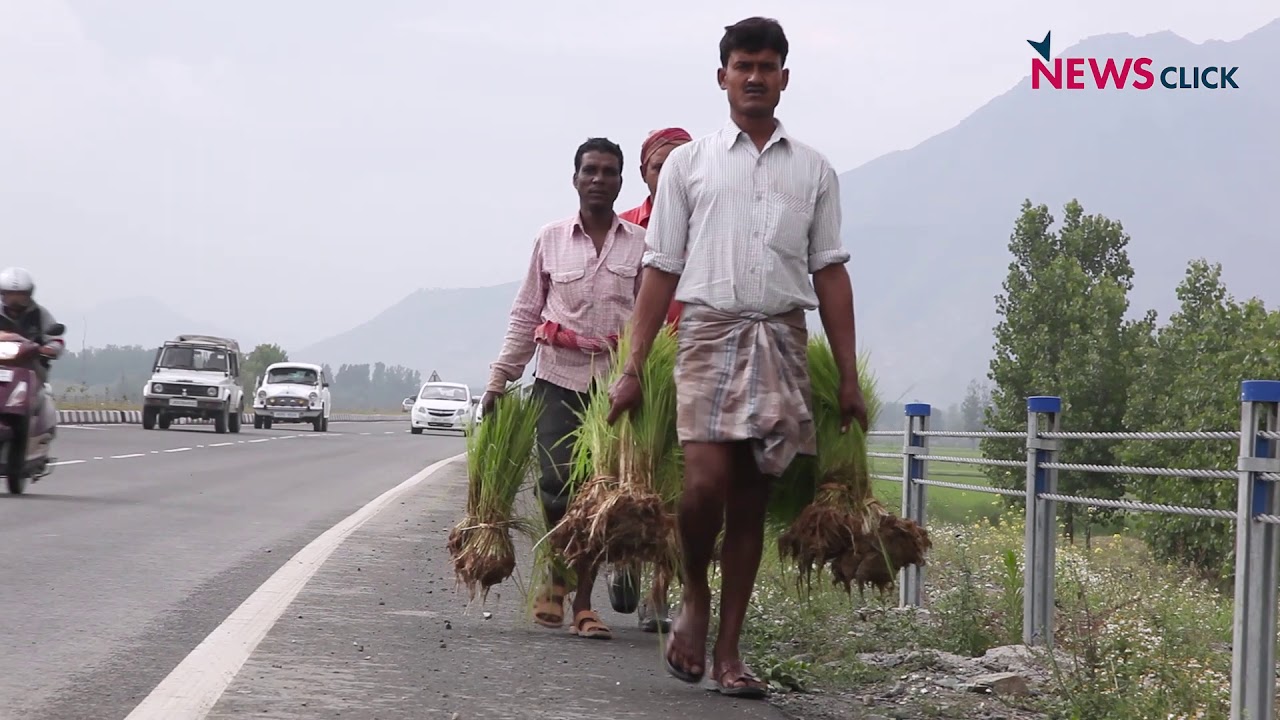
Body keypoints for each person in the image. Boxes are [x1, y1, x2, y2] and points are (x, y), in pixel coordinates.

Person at [605, 17, 869, 698]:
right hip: (707, 334)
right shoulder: (691, 166)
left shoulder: (813, 169)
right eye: (742, 66)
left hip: (780, 336)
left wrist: (846, 375)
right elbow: (660, 267)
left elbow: (830, 273)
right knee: (701, 487)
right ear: (722, 76)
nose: (754, 78)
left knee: (751, 499)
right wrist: (632, 366)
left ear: (784, 77)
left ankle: (728, 650)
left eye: (767, 67)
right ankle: (694, 595)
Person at [482, 137, 646, 641]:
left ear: (622, 182)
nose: (599, 179)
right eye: (590, 170)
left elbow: (649, 321)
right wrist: (499, 377)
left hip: (614, 390)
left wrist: (642, 377)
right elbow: (527, 312)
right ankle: (559, 564)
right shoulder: (550, 239)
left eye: (609, 172)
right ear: (575, 179)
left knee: (600, 496)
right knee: (556, 486)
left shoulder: (640, 244)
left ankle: (582, 604)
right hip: (558, 379)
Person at [610, 126, 693, 635]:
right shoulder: (624, 230)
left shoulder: (708, 226)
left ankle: (660, 592)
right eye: (661, 166)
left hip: (691, 365)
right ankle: (626, 560)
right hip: (637, 368)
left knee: (680, 486)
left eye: (681, 164)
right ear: (644, 173)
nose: (670, 175)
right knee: (632, 474)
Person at [0, 267, 65, 383]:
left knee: (45, 396)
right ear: (2, 294)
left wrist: (49, 349)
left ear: (29, 294)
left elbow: (56, 339)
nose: (15, 300)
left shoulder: (39, 313)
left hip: (32, 371)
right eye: (10, 295)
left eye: (20, 296)